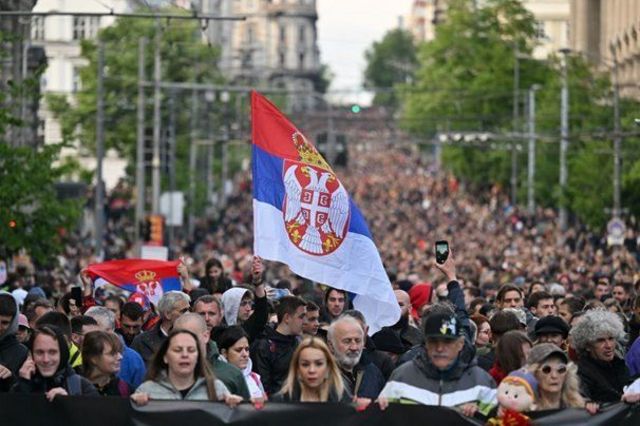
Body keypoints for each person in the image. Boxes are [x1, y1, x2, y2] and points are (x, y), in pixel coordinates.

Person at [379, 311, 497, 418]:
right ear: (425, 344)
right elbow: (383, 419)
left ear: (460, 343)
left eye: (447, 342)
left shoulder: (481, 382)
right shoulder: (402, 376)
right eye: (434, 341)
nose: (440, 348)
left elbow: (499, 420)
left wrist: (479, 416)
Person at [130, 329, 242, 406]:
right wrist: (135, 406)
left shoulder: (216, 388)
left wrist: (236, 407)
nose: (185, 355)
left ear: (198, 357)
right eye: (177, 350)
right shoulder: (147, 390)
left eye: (191, 350)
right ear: (165, 357)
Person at [173, 313, 250, 400]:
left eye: (191, 336)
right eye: (177, 337)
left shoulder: (231, 375)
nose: (184, 343)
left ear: (206, 336)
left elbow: (245, 411)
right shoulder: (160, 377)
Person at [12, 325, 98, 399]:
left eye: (52, 352)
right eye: (39, 352)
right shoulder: (20, 386)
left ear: (62, 353)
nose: (46, 359)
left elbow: (94, 417)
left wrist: (69, 402)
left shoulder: (82, 387)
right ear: (31, 354)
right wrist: (23, 386)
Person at [570, 309, 630, 403]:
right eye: (600, 340)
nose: (608, 345)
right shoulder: (581, 374)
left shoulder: (620, 365)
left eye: (611, 338)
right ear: (587, 346)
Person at [251, 296, 306, 395]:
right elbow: (264, 386)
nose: (304, 322)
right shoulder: (264, 347)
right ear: (287, 318)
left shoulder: (299, 343)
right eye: (301, 317)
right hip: (277, 405)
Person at [272, 336, 351, 403]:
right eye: (305, 364)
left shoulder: (342, 400)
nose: (312, 370)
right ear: (297, 369)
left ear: (328, 368)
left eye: (319, 364)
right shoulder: (280, 401)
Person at [85, 306, 146, 389]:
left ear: (110, 331)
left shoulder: (133, 360)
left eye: (95, 333)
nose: (89, 337)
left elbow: (139, 393)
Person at [525, 343, 597, 413]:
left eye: (561, 369)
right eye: (546, 369)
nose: (554, 376)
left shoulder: (580, 406)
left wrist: (590, 411)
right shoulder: (524, 410)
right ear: (533, 374)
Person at [327, 315, 385, 400]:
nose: (354, 347)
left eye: (358, 341)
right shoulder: (321, 376)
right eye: (347, 341)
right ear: (331, 345)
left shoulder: (373, 373)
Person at [131, 291, 190, 364]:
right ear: (167, 314)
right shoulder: (142, 342)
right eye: (183, 311)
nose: (188, 314)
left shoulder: (195, 337)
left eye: (189, 310)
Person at [220, 256, 268, 342]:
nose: (248, 308)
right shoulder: (218, 332)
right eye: (243, 304)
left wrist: (257, 281)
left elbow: (262, 311)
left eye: (250, 303)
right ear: (231, 305)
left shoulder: (247, 329)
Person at [218, 325, 266, 401]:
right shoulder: (216, 380)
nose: (245, 354)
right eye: (238, 350)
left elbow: (265, 406)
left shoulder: (255, 378)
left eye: (247, 349)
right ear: (224, 353)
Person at [80, 330, 131, 396]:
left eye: (119, 352)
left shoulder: (124, 389)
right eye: (112, 353)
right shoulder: (73, 387)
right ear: (93, 358)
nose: (120, 357)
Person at [0, 292, 28, 392]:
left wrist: (10, 377)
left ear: (12, 323)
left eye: (4, 323)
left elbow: (25, 391)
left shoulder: (21, 353)